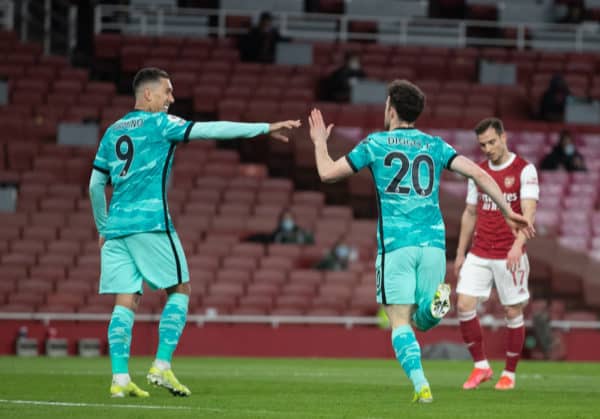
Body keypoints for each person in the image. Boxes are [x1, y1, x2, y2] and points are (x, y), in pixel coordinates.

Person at [306, 80, 534, 403]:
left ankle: (420, 385)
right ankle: (434, 305)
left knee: (399, 320)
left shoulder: (375, 144)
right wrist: (508, 210)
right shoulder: (435, 145)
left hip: (397, 246)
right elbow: (479, 175)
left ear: (391, 109)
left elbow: (327, 173)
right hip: (434, 245)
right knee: (423, 321)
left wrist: (318, 142)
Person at [89, 67, 300, 398]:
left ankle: (119, 378)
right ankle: (161, 365)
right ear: (148, 95)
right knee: (180, 289)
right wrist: (263, 128)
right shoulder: (161, 124)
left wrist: (103, 226)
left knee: (126, 300)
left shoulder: (112, 132)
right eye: (167, 92)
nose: (172, 98)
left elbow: (95, 184)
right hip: (151, 224)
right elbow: (210, 129)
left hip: (116, 229)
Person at [453, 117, 539, 391]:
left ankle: (509, 374)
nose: (488, 148)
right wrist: (459, 253)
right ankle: (481, 367)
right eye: (483, 144)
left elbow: (528, 214)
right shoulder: (477, 172)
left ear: (503, 137)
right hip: (479, 250)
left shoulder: (524, 170)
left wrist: (517, 247)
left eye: (491, 141)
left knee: (512, 310)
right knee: (464, 304)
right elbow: (470, 212)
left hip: (508, 252)